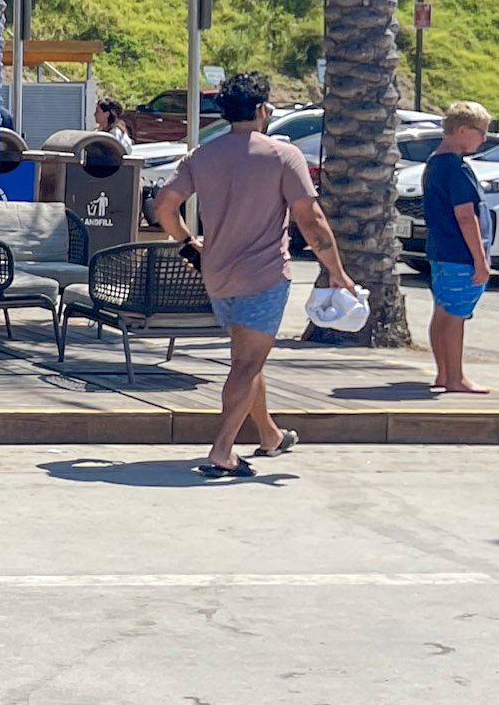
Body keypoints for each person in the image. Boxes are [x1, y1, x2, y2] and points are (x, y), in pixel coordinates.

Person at [150, 70, 358, 479]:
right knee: (247, 364)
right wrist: (336, 272)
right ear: (262, 110)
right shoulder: (283, 156)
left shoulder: (202, 156)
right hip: (263, 276)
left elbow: (164, 205)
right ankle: (222, 450)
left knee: (247, 359)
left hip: (218, 274)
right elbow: (311, 220)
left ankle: (270, 435)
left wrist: (187, 242)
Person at [423, 100, 494, 395]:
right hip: (459, 255)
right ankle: (455, 377)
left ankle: (444, 373)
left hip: (441, 251)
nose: (484, 138)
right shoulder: (454, 168)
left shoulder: (435, 162)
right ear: (463, 130)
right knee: (454, 319)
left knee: (442, 314)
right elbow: (466, 216)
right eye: (481, 132)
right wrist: (480, 259)